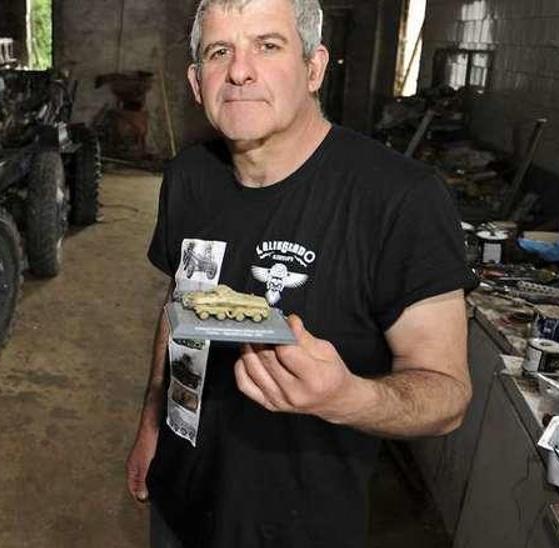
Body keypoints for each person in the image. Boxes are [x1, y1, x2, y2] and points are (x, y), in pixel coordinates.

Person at [124, 0, 478, 546]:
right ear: (197, 82)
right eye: (221, 52)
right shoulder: (188, 177)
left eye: (268, 45)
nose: (240, 71)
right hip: (180, 501)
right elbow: (180, 302)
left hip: (296, 526)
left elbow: (448, 395)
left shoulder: (399, 199)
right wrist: (152, 419)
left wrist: (349, 398)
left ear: (314, 68)